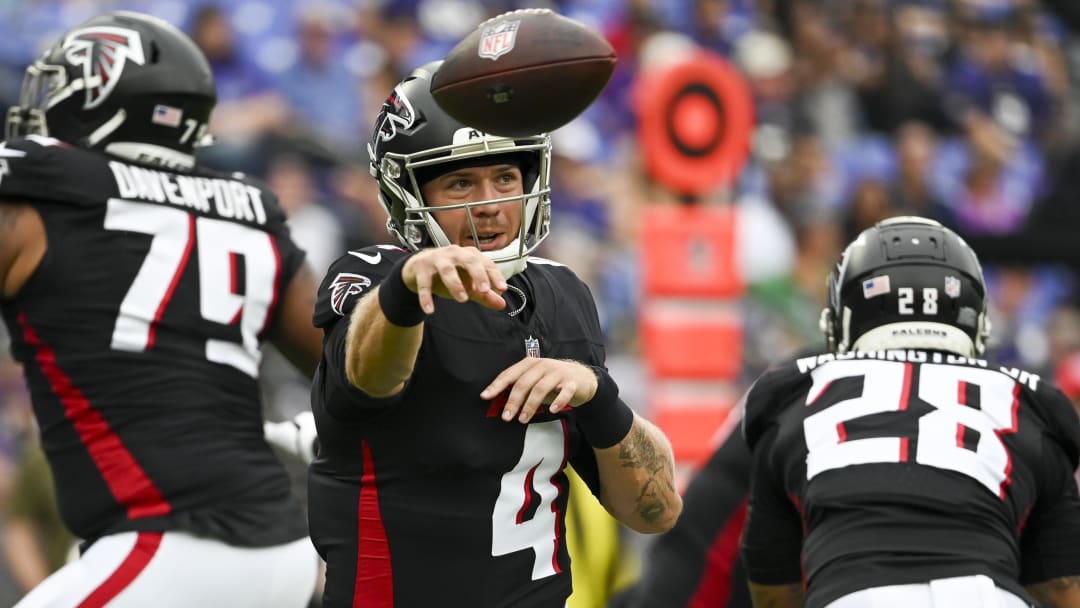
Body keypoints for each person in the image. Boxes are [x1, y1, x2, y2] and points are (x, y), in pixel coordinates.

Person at [307, 61, 682, 607]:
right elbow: (368, 377)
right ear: (407, 193)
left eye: (505, 177)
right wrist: (405, 292)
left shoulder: (562, 295)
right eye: (461, 181)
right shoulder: (376, 281)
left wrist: (597, 395)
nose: (489, 204)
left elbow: (656, 511)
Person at [0, 11, 324, 607]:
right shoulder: (249, 208)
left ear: (96, 98)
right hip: (282, 550)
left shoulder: (41, 194)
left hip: (169, 543)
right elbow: (351, 371)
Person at [740, 216, 1080, 608]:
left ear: (844, 317)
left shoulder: (789, 395)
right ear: (974, 318)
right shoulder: (1029, 399)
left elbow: (774, 592)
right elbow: (1060, 589)